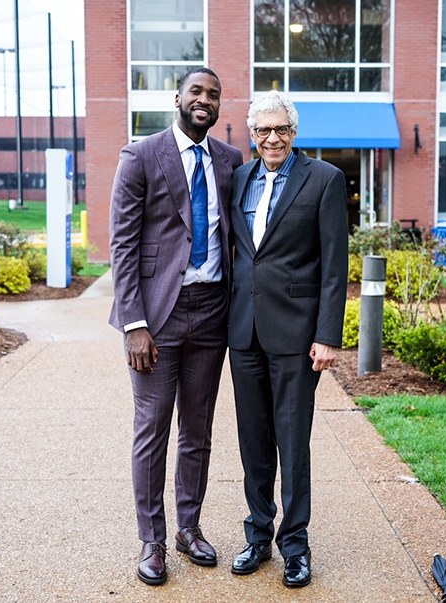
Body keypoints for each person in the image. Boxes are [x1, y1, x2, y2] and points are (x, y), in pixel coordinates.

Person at [109, 67, 243, 586]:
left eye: (213, 94)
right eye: (196, 92)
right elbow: (122, 244)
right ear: (178, 98)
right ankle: (152, 538)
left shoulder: (230, 161)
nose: (204, 100)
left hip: (212, 312)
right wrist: (133, 323)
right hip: (157, 317)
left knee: (198, 430)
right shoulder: (140, 156)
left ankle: (189, 527)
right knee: (152, 428)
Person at [228, 90, 348, 588]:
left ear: (294, 133)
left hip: (298, 336)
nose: (272, 138)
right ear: (252, 135)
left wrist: (327, 335)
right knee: (253, 441)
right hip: (244, 331)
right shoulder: (239, 179)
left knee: (292, 441)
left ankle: (295, 545)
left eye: (281, 129)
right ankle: (258, 533)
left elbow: (334, 265)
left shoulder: (324, 179)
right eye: (263, 130)